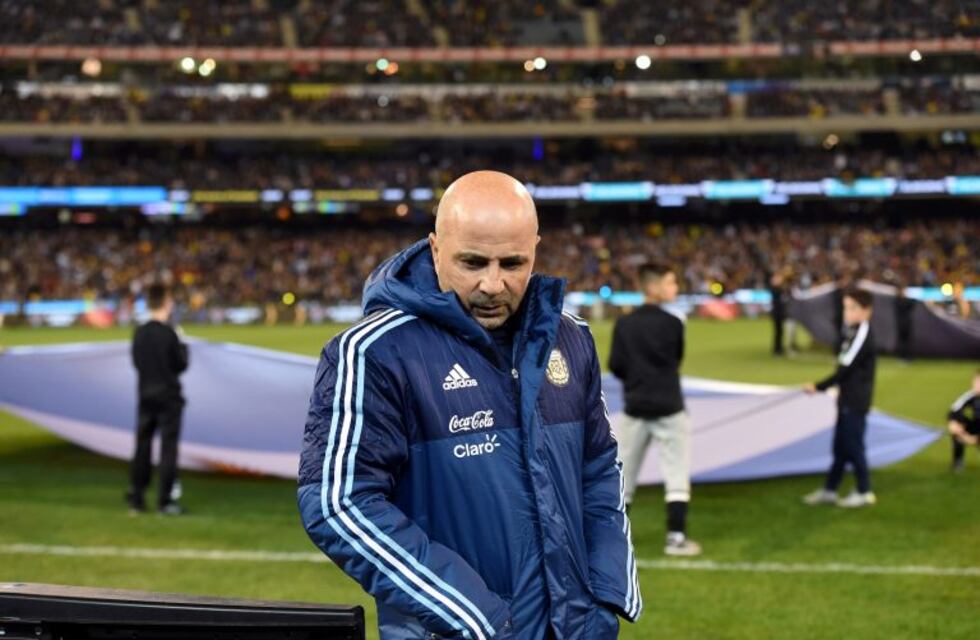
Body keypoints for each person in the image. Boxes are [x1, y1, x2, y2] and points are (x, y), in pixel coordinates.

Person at [298, 171, 640, 640]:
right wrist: (473, 616)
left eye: (512, 263)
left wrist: (605, 589)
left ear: (536, 249)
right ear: (436, 249)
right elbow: (337, 502)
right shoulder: (371, 353)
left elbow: (599, 468)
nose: (493, 284)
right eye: (473, 262)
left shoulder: (569, 337)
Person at [609, 261, 701, 556]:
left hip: (635, 406)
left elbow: (616, 365)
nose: (675, 288)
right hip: (670, 407)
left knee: (623, 476)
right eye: (671, 283)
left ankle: (612, 542)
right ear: (654, 287)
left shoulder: (624, 323)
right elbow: (676, 360)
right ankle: (676, 537)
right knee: (676, 472)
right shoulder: (674, 323)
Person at [802, 288, 877, 508]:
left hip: (855, 401)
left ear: (866, 311)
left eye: (852, 308)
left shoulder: (862, 333)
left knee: (853, 446)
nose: (847, 312)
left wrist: (819, 386)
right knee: (840, 448)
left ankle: (864, 491)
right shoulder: (851, 331)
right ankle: (830, 490)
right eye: (845, 307)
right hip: (846, 399)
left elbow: (845, 368)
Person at [127, 283, 189, 516]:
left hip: (145, 396)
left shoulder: (139, 333)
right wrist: (183, 345)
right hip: (169, 398)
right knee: (168, 449)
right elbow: (180, 365)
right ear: (166, 302)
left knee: (142, 447)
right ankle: (165, 501)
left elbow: (136, 363)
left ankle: (137, 498)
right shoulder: (169, 333)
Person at [947, 370, 980, 472]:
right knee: (956, 424)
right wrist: (955, 425)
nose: (976, 385)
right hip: (976, 426)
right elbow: (953, 411)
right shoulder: (970, 396)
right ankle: (958, 462)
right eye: (975, 382)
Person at [769, 270, 787, 356]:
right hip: (777, 313)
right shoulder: (775, 290)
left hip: (779, 313)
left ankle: (779, 348)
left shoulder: (779, 290)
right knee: (778, 331)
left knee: (780, 331)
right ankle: (777, 349)